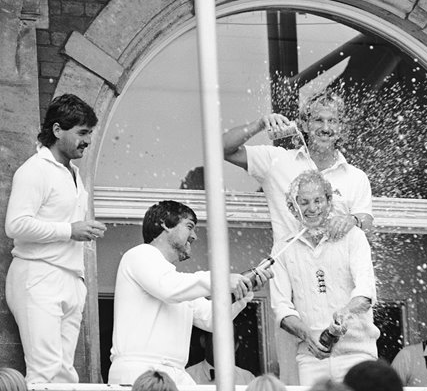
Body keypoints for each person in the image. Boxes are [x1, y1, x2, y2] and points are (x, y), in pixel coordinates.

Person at [223, 89, 374, 383]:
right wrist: (259, 125)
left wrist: (352, 218)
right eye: (318, 119)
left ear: (341, 128)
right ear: (303, 124)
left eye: (333, 121)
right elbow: (222, 149)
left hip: (345, 307)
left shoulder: (355, 176)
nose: (326, 127)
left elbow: (365, 220)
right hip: (297, 294)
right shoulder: (278, 161)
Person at [108, 200, 272, 386]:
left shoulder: (178, 283)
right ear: (165, 223)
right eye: (189, 226)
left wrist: (243, 292)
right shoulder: (140, 255)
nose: (194, 236)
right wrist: (222, 280)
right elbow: (168, 288)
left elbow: (211, 319)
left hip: (175, 375)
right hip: (139, 374)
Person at [4, 93, 107, 383]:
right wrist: (70, 230)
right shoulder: (34, 169)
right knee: (44, 372)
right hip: (38, 275)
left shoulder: (74, 174)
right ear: (58, 130)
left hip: (70, 279)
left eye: (90, 133)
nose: (87, 140)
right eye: (82, 132)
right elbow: (16, 225)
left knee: (65, 376)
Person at [270, 171, 380, 385]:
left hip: (358, 354)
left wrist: (345, 313)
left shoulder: (353, 236)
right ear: (293, 208)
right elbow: (281, 307)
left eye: (318, 200)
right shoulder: (283, 248)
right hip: (311, 358)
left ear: (329, 202)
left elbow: (366, 293)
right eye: (304, 202)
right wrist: (306, 336)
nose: (312, 208)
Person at [185, 327, 255, 385]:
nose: (222, 346)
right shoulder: (187, 377)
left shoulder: (247, 379)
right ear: (203, 341)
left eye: (228, 341)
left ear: (236, 346)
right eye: (217, 339)